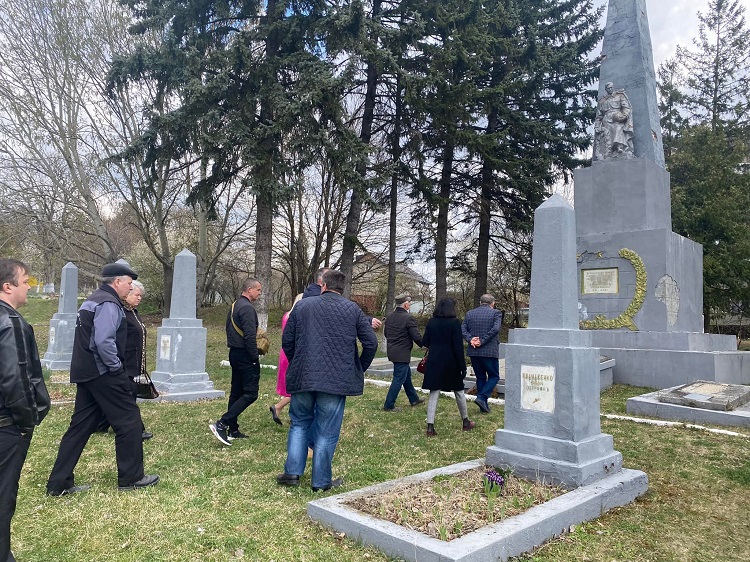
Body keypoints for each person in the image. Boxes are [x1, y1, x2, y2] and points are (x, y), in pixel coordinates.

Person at [47, 263, 159, 495]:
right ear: (117, 282)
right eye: (129, 283)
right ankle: (131, 478)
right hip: (103, 372)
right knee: (129, 421)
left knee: (80, 426)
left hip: (86, 372)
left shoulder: (92, 300)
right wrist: (116, 369)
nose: (130, 288)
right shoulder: (109, 303)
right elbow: (103, 341)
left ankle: (59, 483)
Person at [276, 269, 377, 491]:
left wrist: (298, 362)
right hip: (335, 380)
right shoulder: (353, 309)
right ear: (343, 288)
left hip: (304, 376)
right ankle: (320, 482)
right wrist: (358, 367)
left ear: (323, 285)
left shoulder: (303, 306)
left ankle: (292, 473)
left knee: (299, 423)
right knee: (326, 430)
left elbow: (287, 340)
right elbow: (371, 343)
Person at [0, 259, 50, 562]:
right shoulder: (10, 323)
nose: (29, 287)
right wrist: (26, 421)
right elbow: (15, 379)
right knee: (3, 495)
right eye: (26, 281)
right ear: (7, 286)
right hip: (6, 425)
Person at [96, 280, 153, 440]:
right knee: (127, 397)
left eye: (141, 296)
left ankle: (101, 424)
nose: (139, 298)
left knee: (121, 395)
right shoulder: (119, 311)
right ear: (127, 294)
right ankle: (135, 429)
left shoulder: (133, 312)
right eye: (136, 295)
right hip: (122, 361)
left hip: (134, 361)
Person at [210, 277, 262, 445]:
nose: (259, 293)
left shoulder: (235, 305)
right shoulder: (247, 308)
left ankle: (233, 429)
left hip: (235, 353)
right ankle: (222, 423)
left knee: (236, 392)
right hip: (245, 355)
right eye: (258, 290)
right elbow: (249, 336)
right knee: (251, 393)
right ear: (249, 290)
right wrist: (254, 357)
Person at [421, 297, 475, 437]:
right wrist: (463, 366)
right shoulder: (454, 323)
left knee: (434, 391)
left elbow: (425, 341)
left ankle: (430, 427)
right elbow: (458, 347)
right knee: (459, 391)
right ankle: (465, 422)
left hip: (434, 360)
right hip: (451, 362)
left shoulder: (431, 322)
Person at [461, 293, 503, 414]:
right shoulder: (496, 313)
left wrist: (471, 339)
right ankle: (482, 397)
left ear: (480, 302)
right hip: (489, 351)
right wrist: (482, 340)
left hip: (474, 351)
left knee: (480, 377)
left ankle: (482, 406)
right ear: (493, 303)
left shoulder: (470, 313)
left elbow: (463, 329)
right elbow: (495, 329)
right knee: (494, 376)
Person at [382, 294, 425, 411]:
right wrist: (425, 345)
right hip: (402, 353)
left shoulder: (389, 316)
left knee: (406, 376)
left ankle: (414, 399)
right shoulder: (408, 318)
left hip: (392, 351)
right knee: (398, 378)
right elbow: (416, 336)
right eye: (409, 303)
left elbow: (386, 334)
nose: (409, 305)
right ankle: (389, 405)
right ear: (405, 305)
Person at [303, 267, 383, 330]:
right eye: (329, 276)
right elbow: (339, 311)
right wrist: (367, 321)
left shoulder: (317, 294)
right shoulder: (315, 295)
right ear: (321, 281)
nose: (332, 278)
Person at [270, 293, 303, 425]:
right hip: (293, 353)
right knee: (297, 387)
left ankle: (291, 413)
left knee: (290, 385)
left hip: (284, 351)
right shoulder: (297, 317)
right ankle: (278, 406)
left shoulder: (287, 315)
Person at [593, 82, 634, 160]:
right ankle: (608, 152)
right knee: (607, 135)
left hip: (617, 118)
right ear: (606, 89)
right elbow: (599, 116)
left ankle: (619, 147)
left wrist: (624, 115)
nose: (610, 89)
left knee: (618, 128)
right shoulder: (602, 100)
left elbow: (626, 107)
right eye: (608, 88)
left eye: (611, 87)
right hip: (606, 120)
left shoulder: (620, 96)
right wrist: (597, 126)